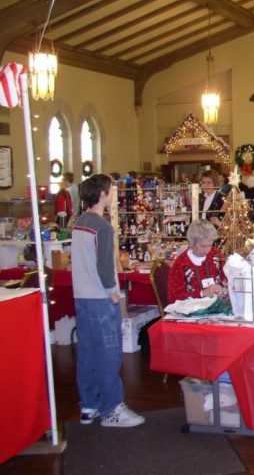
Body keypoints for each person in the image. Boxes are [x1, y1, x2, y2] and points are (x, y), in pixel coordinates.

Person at [71, 174, 145, 428]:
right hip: (101, 298)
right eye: (111, 190)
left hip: (82, 297)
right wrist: (113, 290)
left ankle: (89, 404)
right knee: (109, 354)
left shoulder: (79, 223)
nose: (113, 194)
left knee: (88, 353)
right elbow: (104, 266)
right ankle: (112, 408)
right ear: (102, 194)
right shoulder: (102, 227)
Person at [167, 219, 226, 304]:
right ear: (192, 243)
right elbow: (173, 297)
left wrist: (224, 286)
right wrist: (202, 293)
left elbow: (225, 278)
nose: (207, 250)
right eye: (202, 246)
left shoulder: (215, 254)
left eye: (210, 245)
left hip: (217, 307)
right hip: (192, 312)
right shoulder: (180, 264)